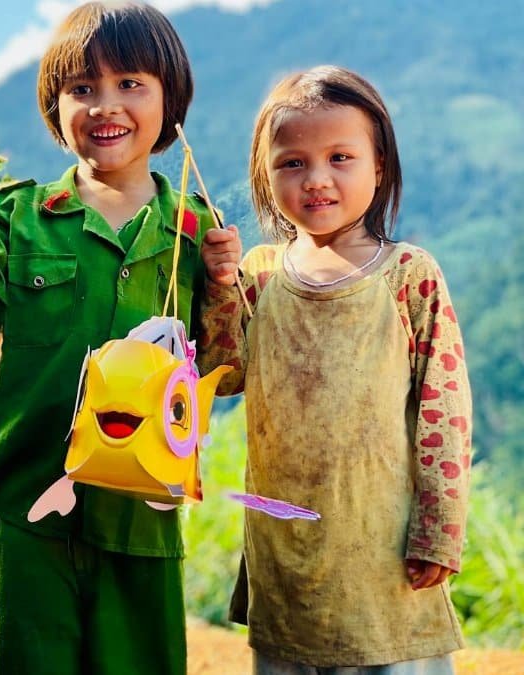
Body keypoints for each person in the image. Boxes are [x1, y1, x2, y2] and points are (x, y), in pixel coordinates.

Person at [0, 2, 242, 673]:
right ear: (54, 109)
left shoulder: (194, 223)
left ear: (170, 104)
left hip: (143, 503)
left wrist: (228, 283)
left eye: (130, 85)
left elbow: (224, 368)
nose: (104, 105)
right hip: (32, 494)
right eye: (82, 89)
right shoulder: (18, 213)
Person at [198, 65, 472, 673]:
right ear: (266, 180)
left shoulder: (408, 275)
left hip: (385, 553)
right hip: (286, 551)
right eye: (292, 163)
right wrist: (219, 284)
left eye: (340, 158)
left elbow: (444, 413)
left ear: (380, 167)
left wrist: (439, 531)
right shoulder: (261, 275)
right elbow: (222, 373)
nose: (316, 180)